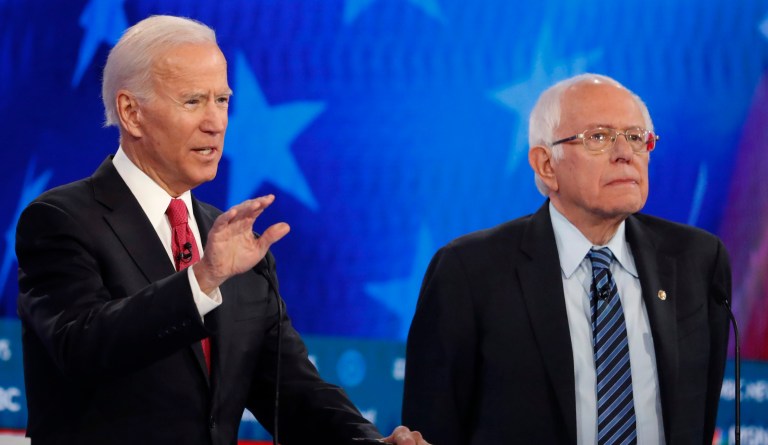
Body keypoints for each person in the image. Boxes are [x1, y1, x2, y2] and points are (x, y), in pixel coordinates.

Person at [16, 15, 427, 445]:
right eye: (193, 101)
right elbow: (83, 347)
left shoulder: (233, 243)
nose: (216, 122)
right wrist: (202, 279)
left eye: (222, 100)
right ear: (131, 112)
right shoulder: (60, 221)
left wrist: (372, 443)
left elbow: (290, 391)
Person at [402, 73, 731, 444]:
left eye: (637, 138)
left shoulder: (697, 260)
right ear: (546, 165)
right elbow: (427, 433)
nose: (625, 154)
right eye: (599, 137)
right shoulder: (469, 272)